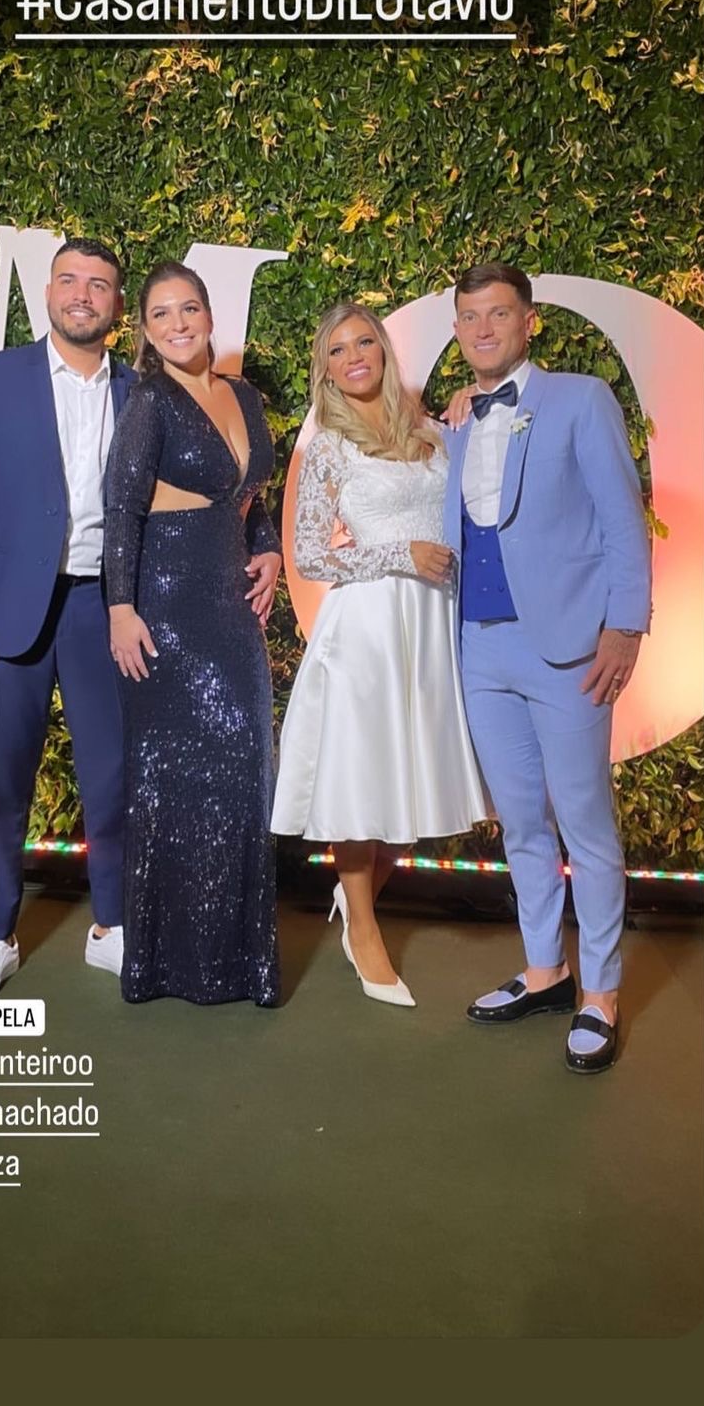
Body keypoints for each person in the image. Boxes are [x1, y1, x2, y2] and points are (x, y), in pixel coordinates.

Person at [443, 260, 652, 1072]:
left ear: (529, 320)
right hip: (477, 645)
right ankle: (545, 970)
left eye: (498, 313)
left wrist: (624, 625)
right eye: (469, 316)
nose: (482, 328)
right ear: (456, 330)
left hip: (566, 647)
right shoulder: (457, 420)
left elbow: (621, 518)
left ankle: (600, 990)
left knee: (584, 822)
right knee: (521, 821)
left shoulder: (581, 398)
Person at [0, 238, 135, 1000]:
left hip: (100, 607)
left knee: (112, 778)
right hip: (8, 611)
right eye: (69, 280)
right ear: (47, 292)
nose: (82, 294)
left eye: (99, 284)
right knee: (0, 781)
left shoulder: (139, 391)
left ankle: (110, 927)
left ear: (117, 304)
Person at [272, 303, 490, 1007]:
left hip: (433, 625)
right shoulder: (328, 447)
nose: (355, 356)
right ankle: (363, 927)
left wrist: (474, 400)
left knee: (419, 779)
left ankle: (354, 897)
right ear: (326, 370)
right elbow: (309, 555)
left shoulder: (431, 429)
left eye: (364, 341)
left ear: (384, 350)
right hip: (367, 628)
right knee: (362, 781)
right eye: (338, 350)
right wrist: (401, 554)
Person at [102, 261, 282, 1007]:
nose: (177, 324)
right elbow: (121, 507)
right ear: (145, 331)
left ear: (210, 316)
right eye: (160, 314)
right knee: (168, 782)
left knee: (245, 768)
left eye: (188, 309)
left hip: (230, 610)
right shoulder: (151, 399)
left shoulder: (244, 395)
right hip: (166, 611)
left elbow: (250, 495)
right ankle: (165, 963)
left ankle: (239, 962)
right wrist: (120, 609)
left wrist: (268, 547)